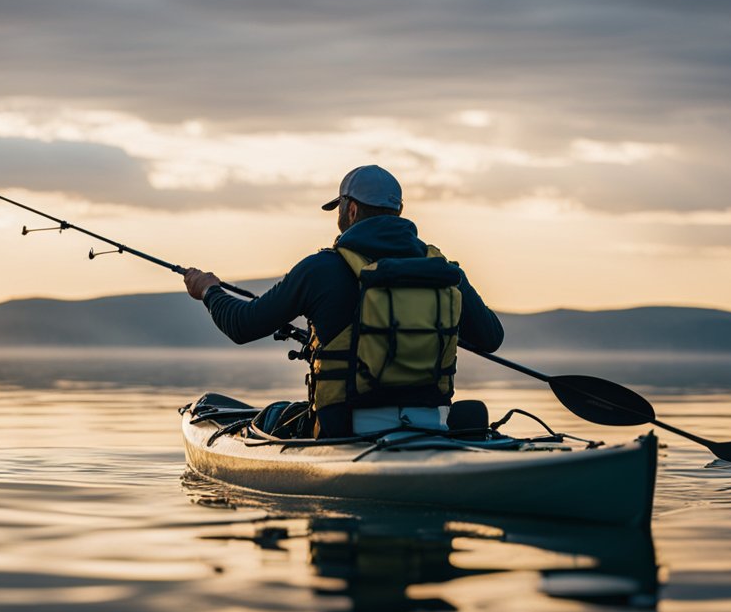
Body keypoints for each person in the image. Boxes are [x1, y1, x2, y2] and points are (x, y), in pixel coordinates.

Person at [183, 165, 504, 438]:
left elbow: (241, 325)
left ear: (350, 209)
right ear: (399, 212)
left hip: (344, 431)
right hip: (433, 425)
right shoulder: (443, 271)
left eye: (339, 208)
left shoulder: (322, 268)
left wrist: (209, 291)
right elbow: (491, 338)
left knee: (277, 416)